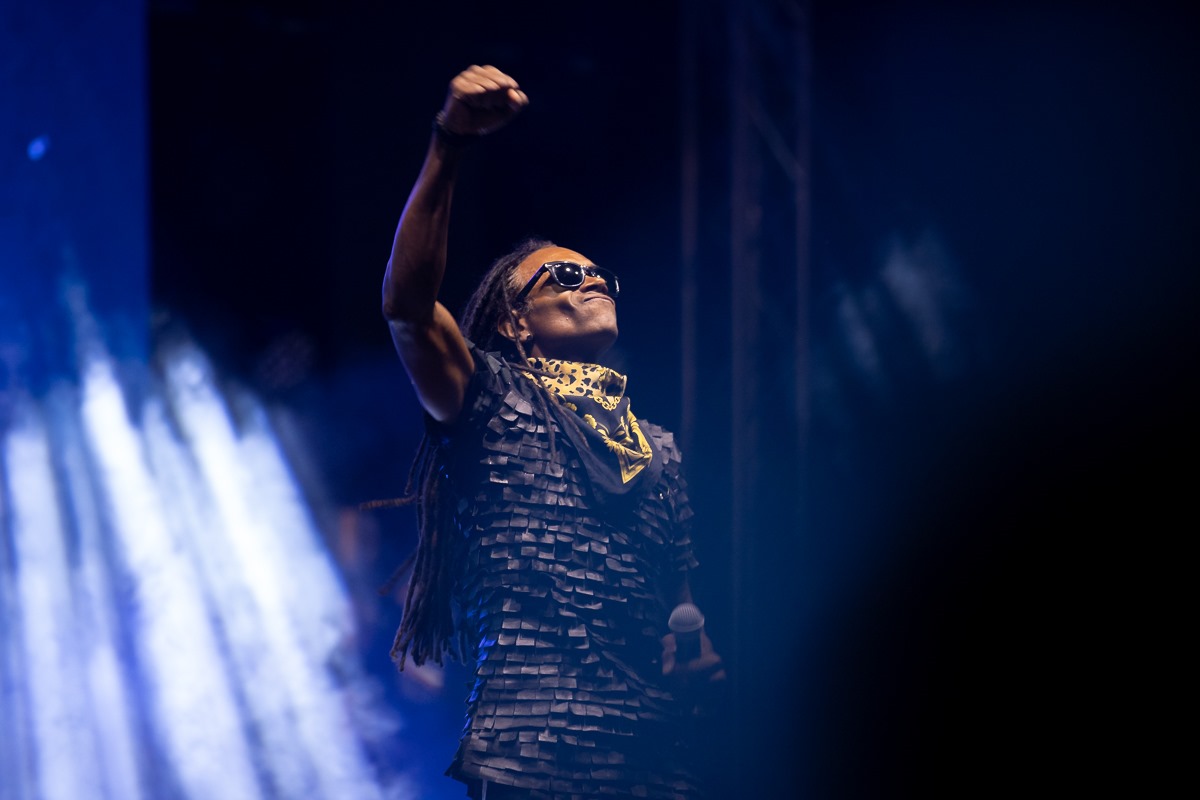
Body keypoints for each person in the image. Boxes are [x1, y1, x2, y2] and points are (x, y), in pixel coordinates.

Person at [381, 65, 722, 800]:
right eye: (565, 276)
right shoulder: (489, 400)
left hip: (653, 764)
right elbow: (407, 307)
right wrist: (449, 142)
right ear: (514, 321)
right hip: (531, 755)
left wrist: (691, 653)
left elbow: (680, 606)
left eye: (599, 275)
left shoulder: (658, 448)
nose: (592, 281)